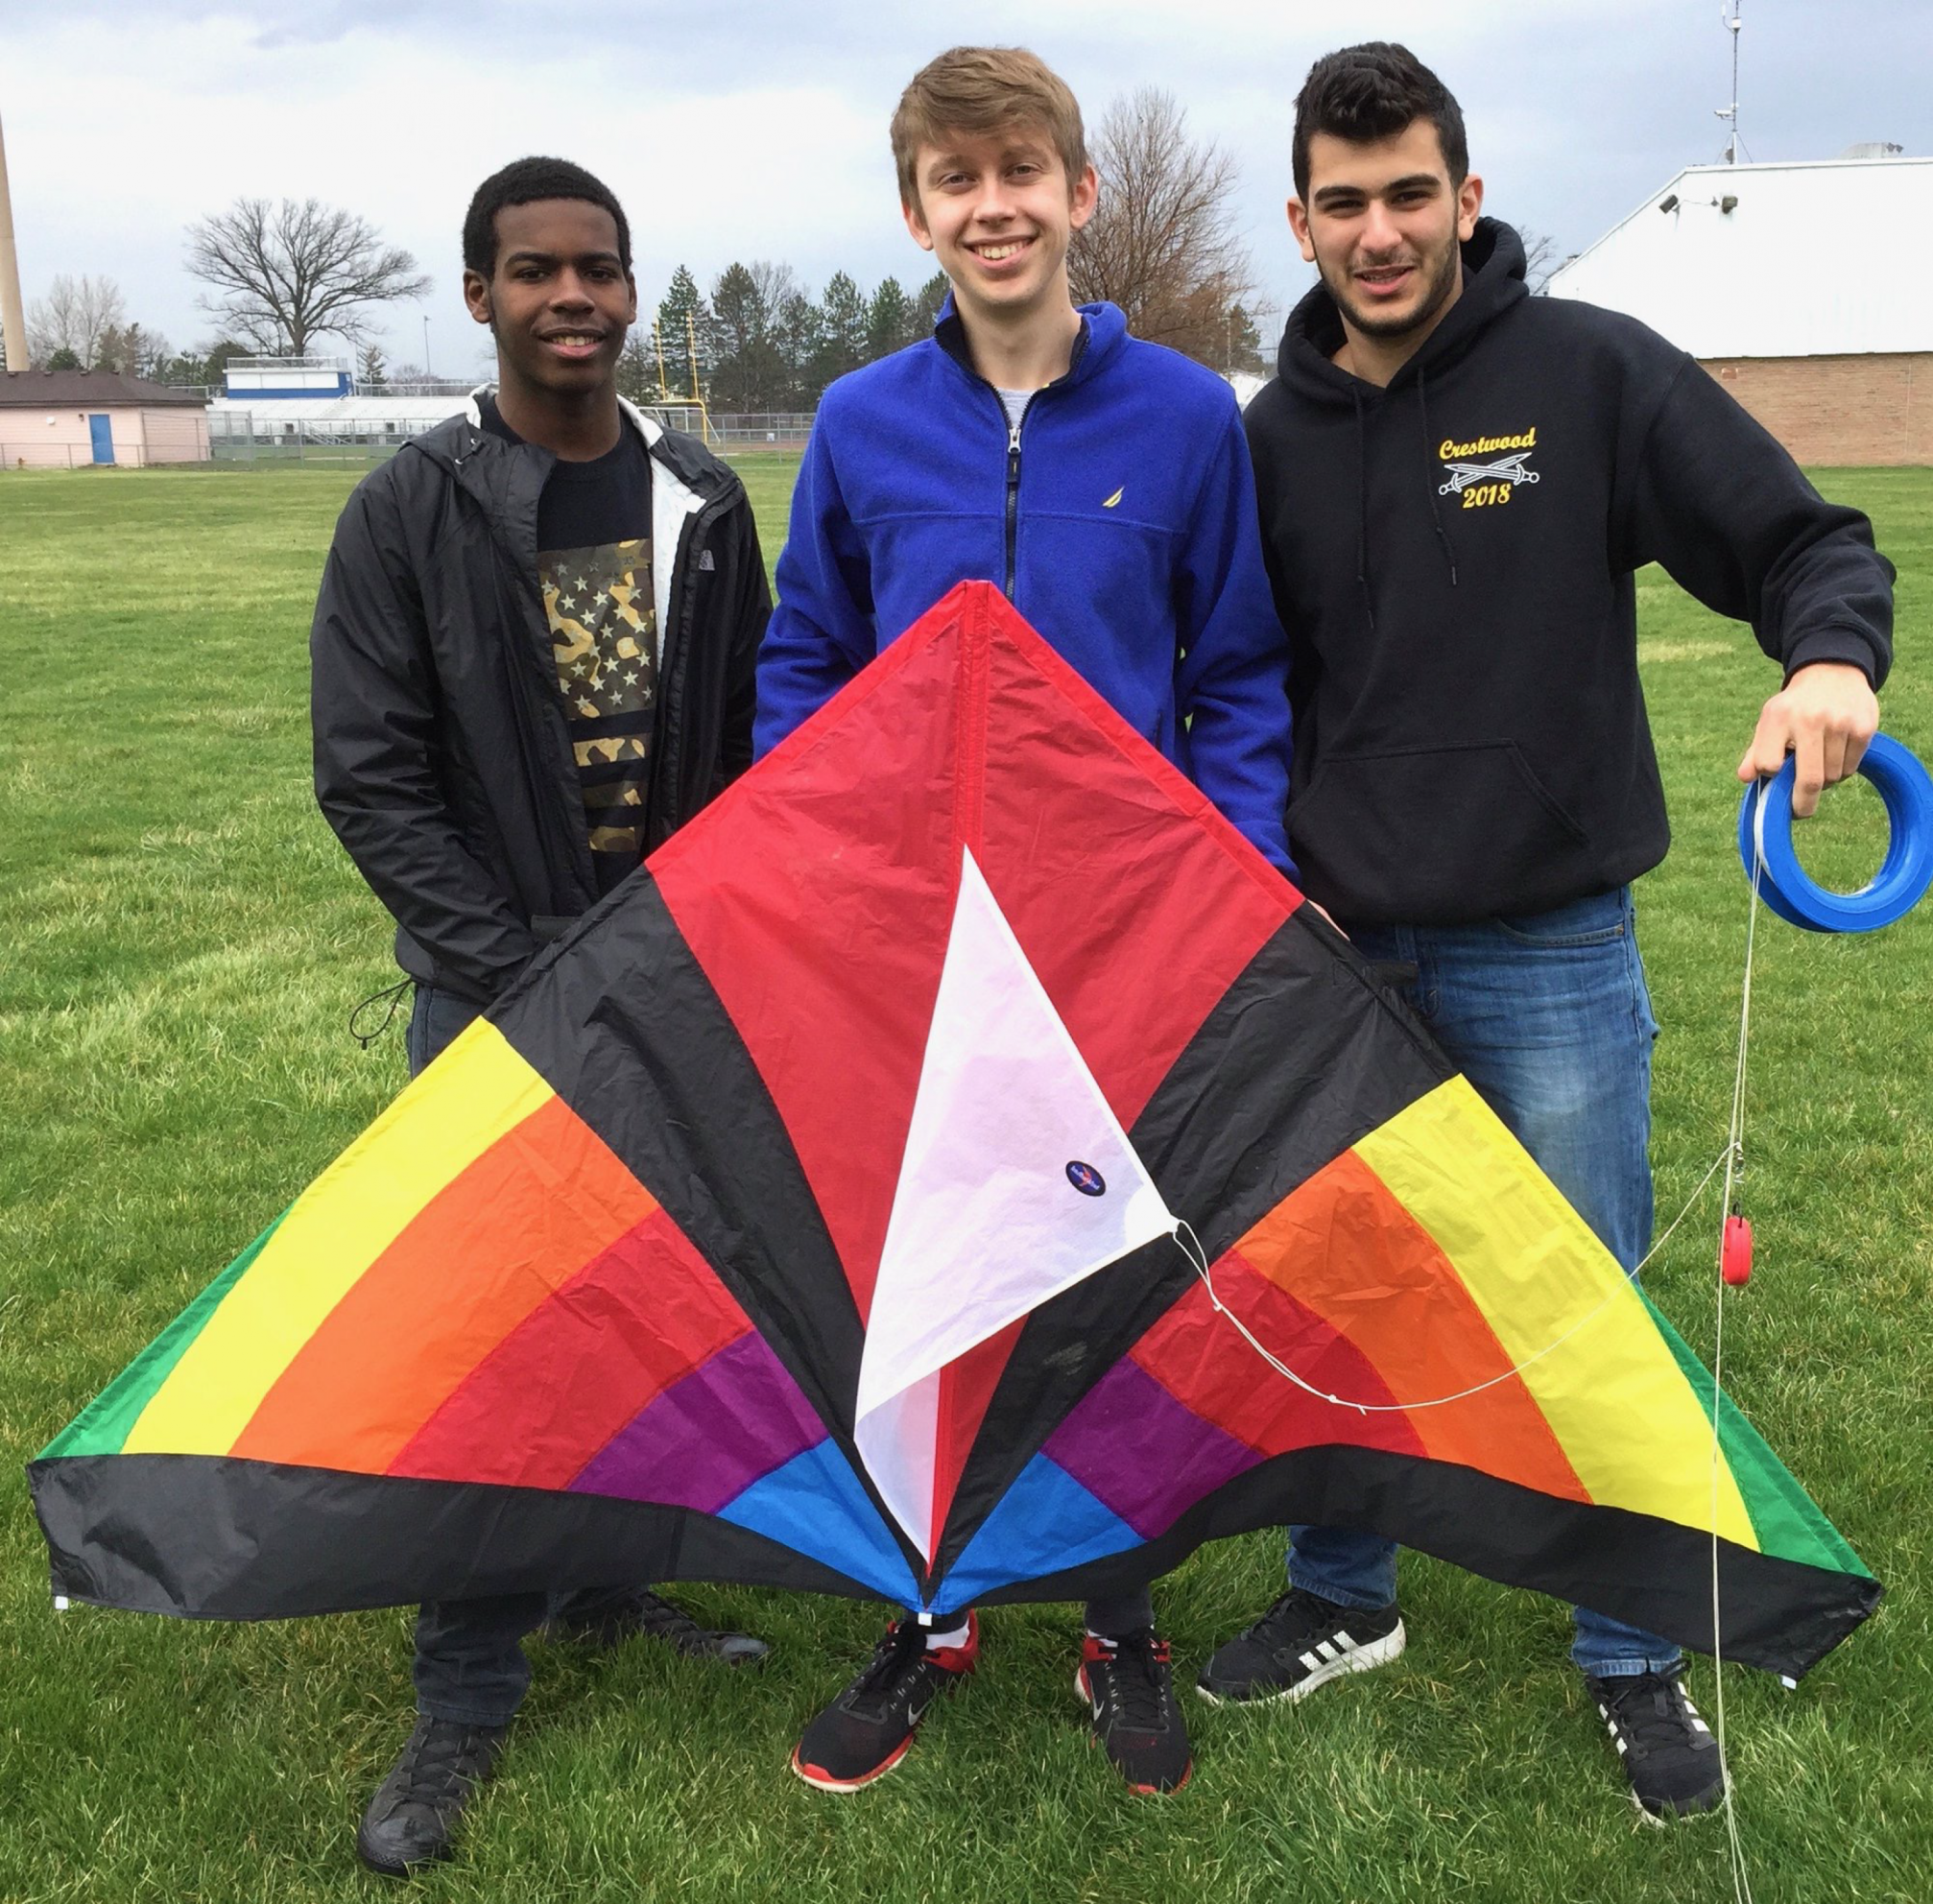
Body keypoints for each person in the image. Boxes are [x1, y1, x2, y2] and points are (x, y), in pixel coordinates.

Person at [1195, 43, 1893, 1821]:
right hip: (1340, 956)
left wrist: (1826, 659)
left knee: (1580, 1308)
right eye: (1340, 203)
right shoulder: (1260, 439)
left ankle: (1629, 1649)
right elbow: (1216, 679)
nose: (1376, 231)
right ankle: (1342, 1598)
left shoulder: (1582, 373)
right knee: (1344, 1301)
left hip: (1548, 945)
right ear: (1298, 218)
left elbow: (1799, 536)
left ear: (1466, 195)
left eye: (1406, 193)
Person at [754, 45, 1296, 1797]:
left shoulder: (1183, 422)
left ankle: (1118, 1617)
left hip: (1116, 942)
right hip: (914, 943)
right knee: (920, 1273)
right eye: (953, 177)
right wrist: (815, 874)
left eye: (1020, 170)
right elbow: (803, 666)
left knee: (1118, 1278)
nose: (991, 205)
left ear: (1077, 192)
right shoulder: (857, 425)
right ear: (916, 211)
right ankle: (926, 1610)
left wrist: (1225, 887)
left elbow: (1237, 680)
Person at [309, 155, 775, 1875]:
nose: (570, 296)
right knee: (486, 1339)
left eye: (598, 269)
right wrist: (507, 967)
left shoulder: (701, 499)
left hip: (663, 986)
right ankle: (461, 1688)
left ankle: (604, 1585)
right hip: (494, 1000)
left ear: (631, 292)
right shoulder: (411, 508)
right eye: (534, 271)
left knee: (648, 1308)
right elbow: (367, 775)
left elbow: (745, 749)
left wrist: (695, 945)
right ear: (479, 293)